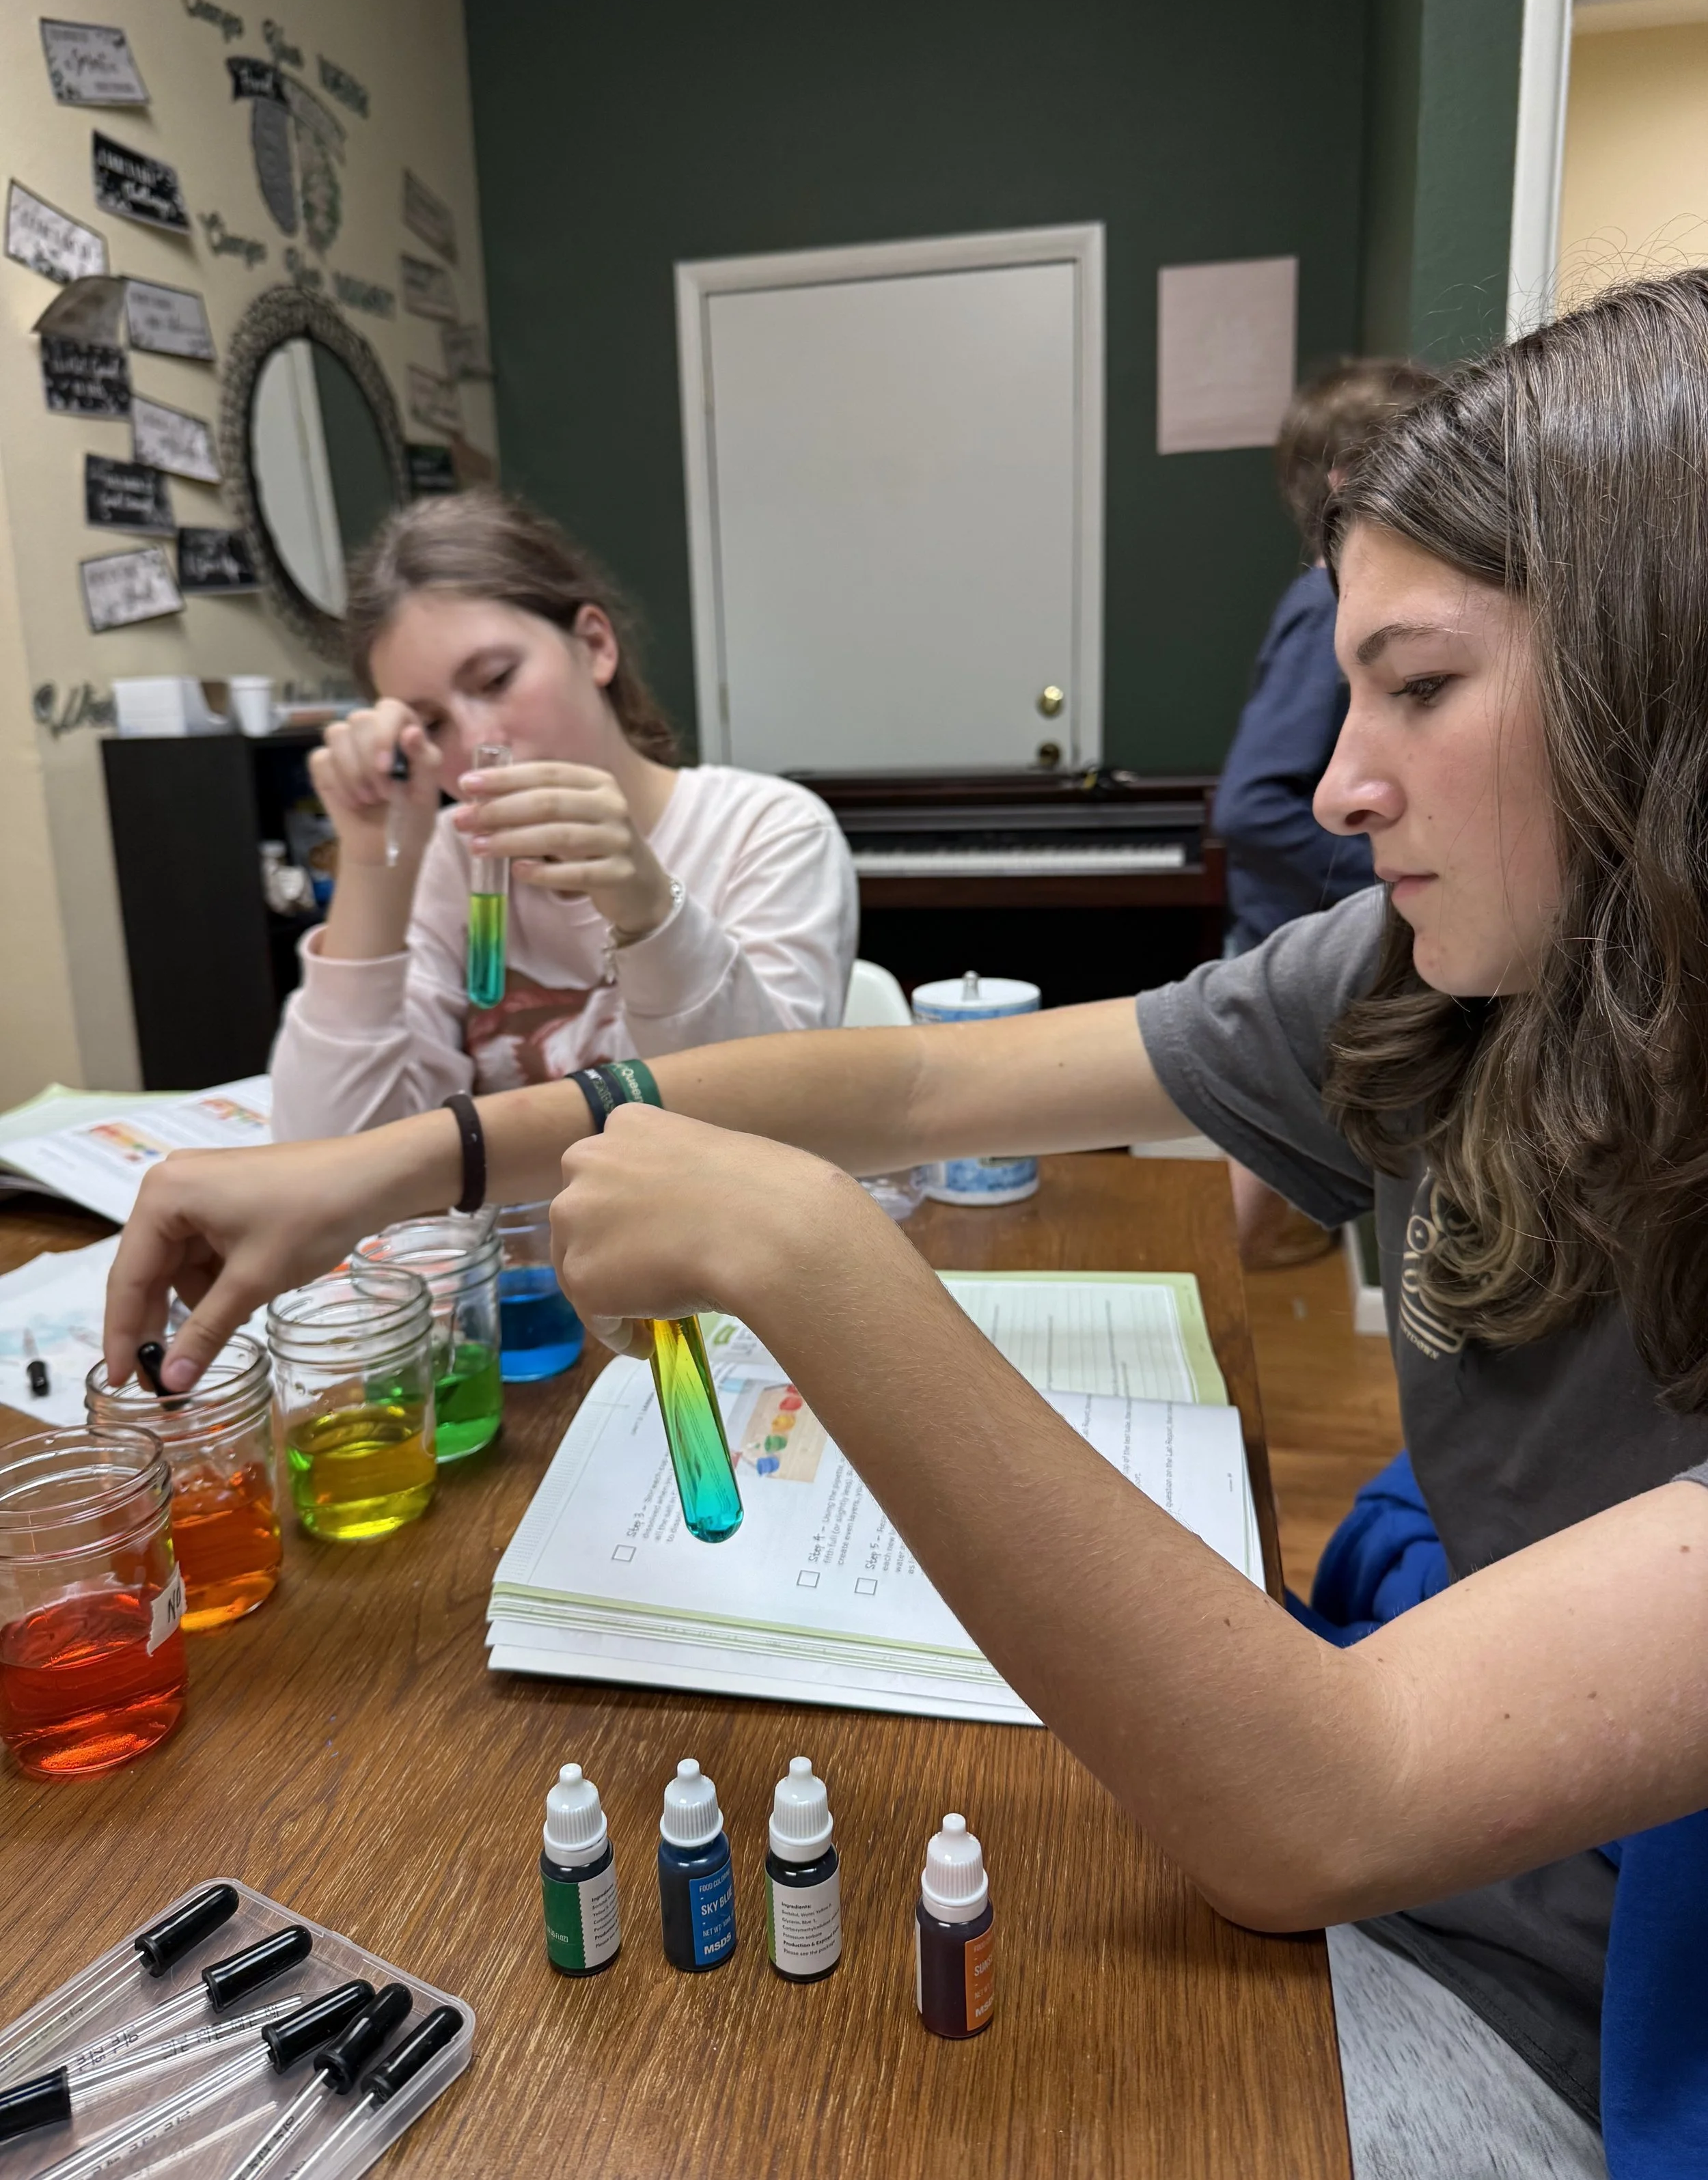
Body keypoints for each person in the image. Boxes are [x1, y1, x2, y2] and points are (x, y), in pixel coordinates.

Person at [107, 274, 1708, 2177]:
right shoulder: (1412, 981)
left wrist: (808, 1258)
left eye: (1420, 686)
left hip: (1577, 2024)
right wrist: (388, 1166)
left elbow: (1315, 1814)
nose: (1338, 782)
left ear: (1652, 686)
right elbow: (921, 1088)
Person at [267, 491, 858, 1140]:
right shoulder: (446, 857)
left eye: (495, 680)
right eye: (431, 722)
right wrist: (371, 868)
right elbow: (327, 1158)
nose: (475, 743)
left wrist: (650, 913)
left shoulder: (767, 831)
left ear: (595, 645)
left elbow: (775, 1129)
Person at [1215, 358, 1436, 1269]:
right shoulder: (1327, 606)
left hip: (1290, 935)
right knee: (1246, 1240)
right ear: (1349, 481)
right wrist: (1389, 881)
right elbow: (1253, 802)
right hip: (1290, 942)